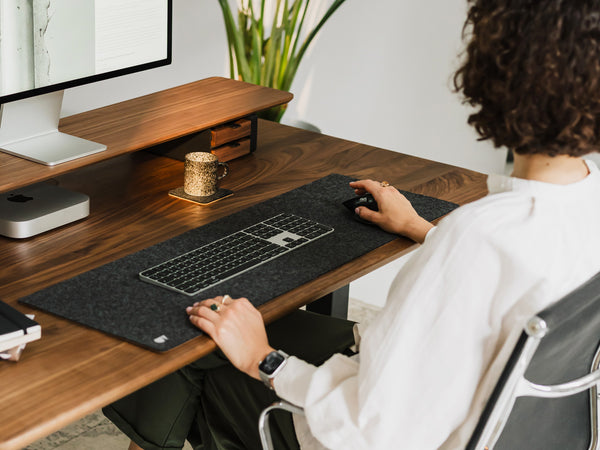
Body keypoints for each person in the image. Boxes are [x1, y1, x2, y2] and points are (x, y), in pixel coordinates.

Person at [104, 0, 600, 448]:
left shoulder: (478, 238)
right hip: (477, 417)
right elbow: (514, 280)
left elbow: (373, 430)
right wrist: (426, 231)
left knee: (191, 332)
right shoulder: (578, 207)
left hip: (352, 430)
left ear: (499, 77)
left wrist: (264, 358)